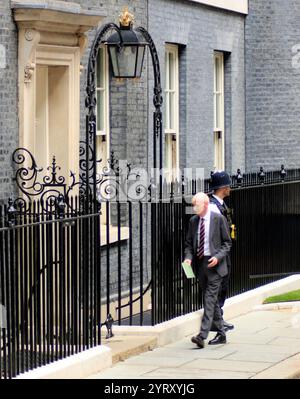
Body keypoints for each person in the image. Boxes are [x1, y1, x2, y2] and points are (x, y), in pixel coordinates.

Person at [184, 193, 232, 348]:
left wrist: (218, 257)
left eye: (195, 205)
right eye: (192, 205)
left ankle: (201, 335)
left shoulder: (218, 219)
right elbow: (189, 244)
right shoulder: (193, 221)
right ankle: (222, 334)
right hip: (201, 265)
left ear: (205, 204)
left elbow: (227, 243)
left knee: (209, 299)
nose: (193, 208)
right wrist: (188, 257)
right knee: (211, 301)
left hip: (216, 266)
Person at [209, 171, 235, 336]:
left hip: (224, 250)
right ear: (223, 188)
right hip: (217, 253)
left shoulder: (220, 204)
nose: (230, 188)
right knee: (218, 286)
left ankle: (219, 318)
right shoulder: (212, 206)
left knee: (223, 285)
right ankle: (215, 321)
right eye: (228, 185)